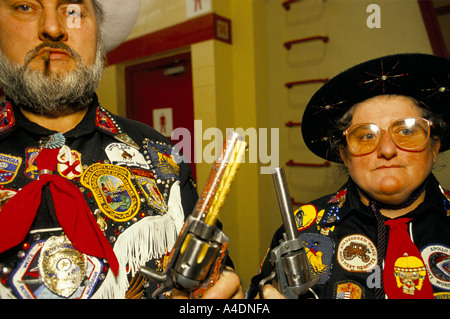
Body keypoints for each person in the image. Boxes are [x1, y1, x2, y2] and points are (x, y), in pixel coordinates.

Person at [0, 0, 242, 299]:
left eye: (73, 10)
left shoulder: (161, 154)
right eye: (25, 7)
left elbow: (214, 275)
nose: (52, 28)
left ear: (97, 36)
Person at [249, 53, 450, 299]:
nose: (387, 149)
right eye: (366, 136)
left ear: (434, 147)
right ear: (344, 155)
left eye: (406, 131)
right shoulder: (301, 231)